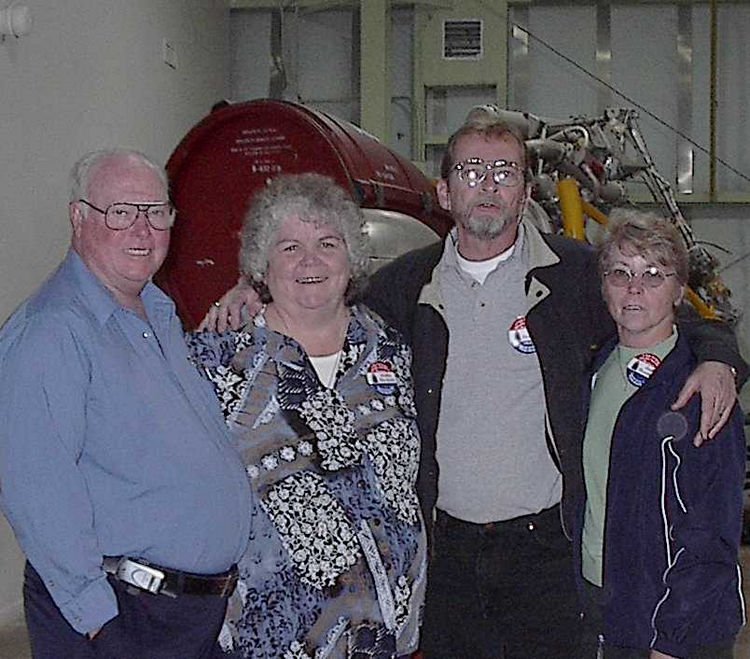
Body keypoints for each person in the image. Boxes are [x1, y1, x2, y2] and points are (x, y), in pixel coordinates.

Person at [203, 117, 745, 658]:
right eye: (471, 170)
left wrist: (717, 356)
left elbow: (656, 313)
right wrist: (253, 291)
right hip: (449, 557)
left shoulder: (573, 274)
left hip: (547, 553)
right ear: (444, 192)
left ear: (525, 193)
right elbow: (317, 295)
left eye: (504, 172)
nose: (488, 184)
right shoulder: (406, 285)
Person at [0, 149, 253, 659]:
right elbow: (37, 492)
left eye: (156, 212)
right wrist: (100, 625)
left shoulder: (158, 315)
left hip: (185, 614)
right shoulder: (52, 332)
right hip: (121, 617)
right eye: (120, 212)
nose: (142, 229)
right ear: (78, 217)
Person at [187, 173, 427, 658]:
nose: (310, 261)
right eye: (290, 247)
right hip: (273, 638)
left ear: (351, 259)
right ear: (262, 264)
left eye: (327, 244)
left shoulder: (390, 347)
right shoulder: (216, 362)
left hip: (389, 634)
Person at [578, 210, 745, 659]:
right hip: (606, 607)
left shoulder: (701, 388)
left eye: (653, 274)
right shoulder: (595, 368)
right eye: (621, 273)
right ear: (604, 286)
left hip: (675, 624)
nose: (634, 288)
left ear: (678, 290)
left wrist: (673, 638)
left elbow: (712, 530)